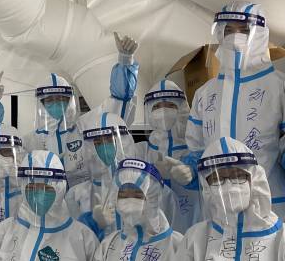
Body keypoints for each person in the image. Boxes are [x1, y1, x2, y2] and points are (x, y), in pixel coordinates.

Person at [183, 3, 285, 226]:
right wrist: (189, 171)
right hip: (217, 210)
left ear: (259, 34)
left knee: (267, 249)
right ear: (219, 34)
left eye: (244, 30)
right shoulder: (205, 94)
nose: (235, 37)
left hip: (270, 206)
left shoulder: (283, 88)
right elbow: (197, 152)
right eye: (228, 30)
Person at [25, 32, 139, 190]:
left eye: (62, 99)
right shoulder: (30, 142)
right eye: (49, 100)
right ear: (40, 104)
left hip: (85, 200)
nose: (57, 104)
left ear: (70, 101)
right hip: (49, 203)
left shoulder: (86, 126)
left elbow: (117, 103)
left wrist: (125, 60)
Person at [135, 81, 202, 231]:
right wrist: (154, 176)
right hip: (155, 234)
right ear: (148, 112)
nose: (163, 112)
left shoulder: (195, 149)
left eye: (171, 105)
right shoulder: (140, 151)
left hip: (193, 230)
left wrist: (192, 174)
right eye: (157, 107)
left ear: (182, 108)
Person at [66, 113, 135, 238]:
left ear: (123, 141)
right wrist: (93, 222)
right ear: (88, 146)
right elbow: (72, 239)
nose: (104, 146)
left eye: (109, 140)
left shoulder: (140, 189)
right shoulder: (76, 195)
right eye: (98, 142)